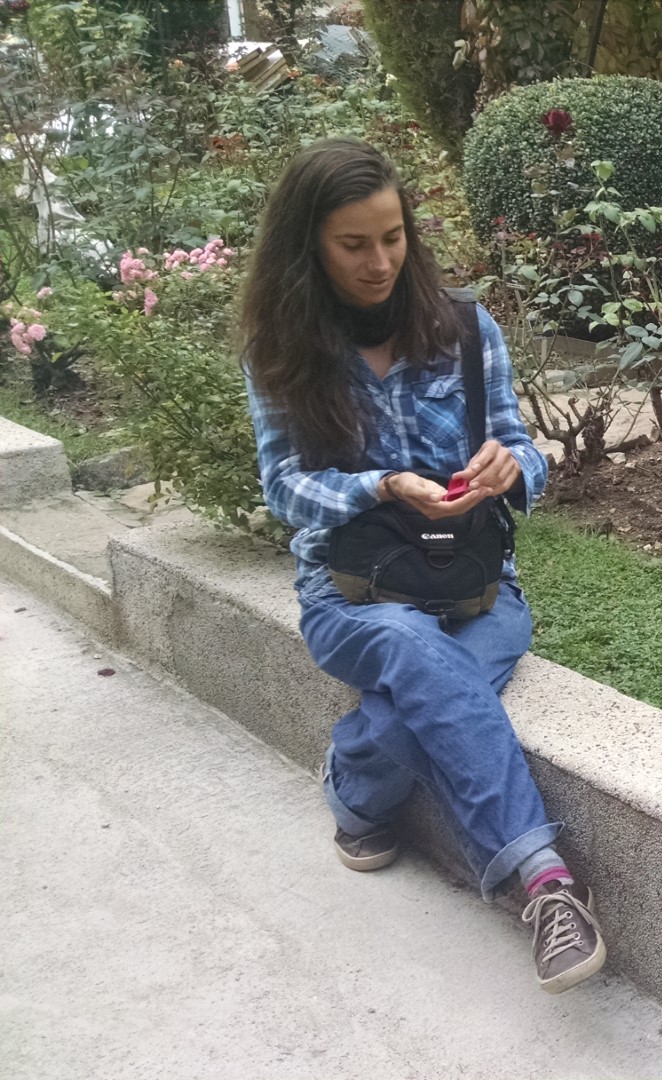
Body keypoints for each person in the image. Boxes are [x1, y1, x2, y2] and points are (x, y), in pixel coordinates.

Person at [238, 137, 603, 995]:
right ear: (309, 246)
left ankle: (359, 780)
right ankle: (546, 883)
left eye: (393, 238)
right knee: (403, 642)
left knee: (411, 707)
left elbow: (518, 446)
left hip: (477, 591)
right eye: (353, 244)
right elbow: (283, 487)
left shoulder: (465, 326)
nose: (380, 262)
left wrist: (515, 468)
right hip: (350, 594)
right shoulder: (283, 348)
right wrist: (382, 487)